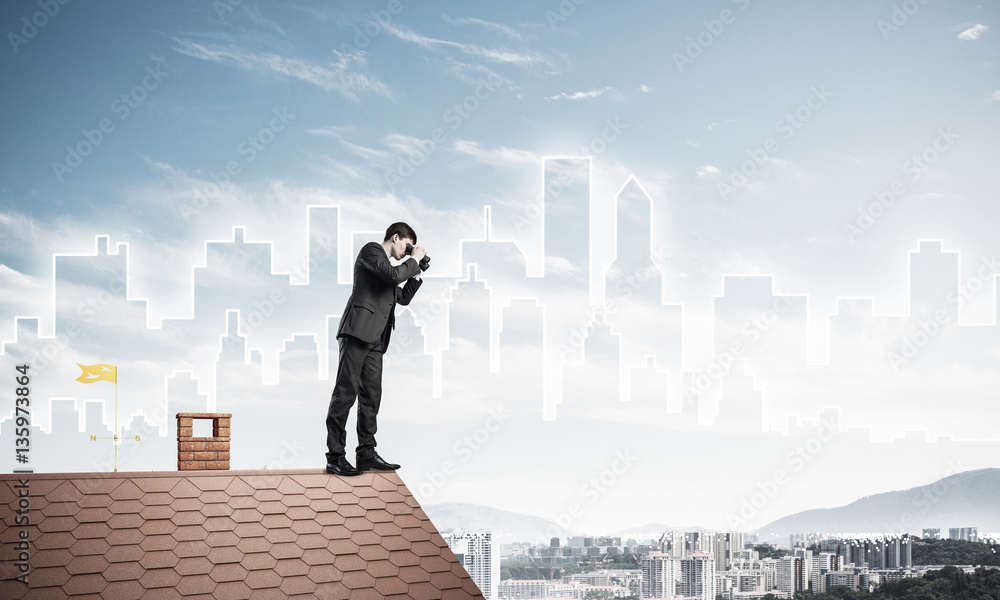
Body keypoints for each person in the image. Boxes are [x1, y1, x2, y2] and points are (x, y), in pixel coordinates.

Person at [325, 222, 426, 476]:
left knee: (371, 397)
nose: (407, 250)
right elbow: (393, 276)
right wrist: (412, 260)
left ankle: (366, 454)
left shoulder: (389, 270)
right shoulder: (371, 252)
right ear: (395, 237)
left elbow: (400, 297)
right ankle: (335, 457)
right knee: (345, 394)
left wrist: (415, 272)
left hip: (376, 341)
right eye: (406, 245)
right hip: (357, 332)